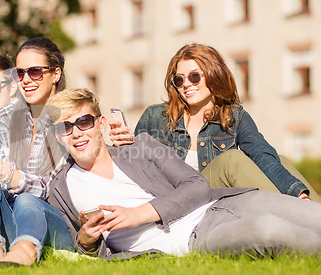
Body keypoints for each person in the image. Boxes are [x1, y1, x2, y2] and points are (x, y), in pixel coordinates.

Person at [47, 88, 321, 259]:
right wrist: (87, 242)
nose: (76, 133)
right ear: (58, 137)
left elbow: (198, 185)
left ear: (101, 123)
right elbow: (78, 247)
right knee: (270, 230)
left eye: (83, 121)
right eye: (65, 128)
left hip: (225, 202)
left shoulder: (141, 145)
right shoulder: (61, 189)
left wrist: (137, 214)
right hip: (194, 236)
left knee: (312, 214)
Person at [109, 43, 320, 202]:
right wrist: (122, 148)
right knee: (231, 160)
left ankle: (310, 210)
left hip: (215, 199)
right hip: (175, 200)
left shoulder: (234, 116)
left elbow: (262, 155)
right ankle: (297, 215)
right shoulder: (156, 116)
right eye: (179, 79)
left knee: (278, 159)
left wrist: (299, 193)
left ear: (213, 74)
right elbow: (134, 172)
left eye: (194, 76)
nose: (186, 85)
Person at [0, 38, 74, 267]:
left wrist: (4, 171)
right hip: (11, 216)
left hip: (50, 221)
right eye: (21, 73)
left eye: (35, 72)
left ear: (56, 74)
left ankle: (26, 253)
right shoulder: (5, 116)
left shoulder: (70, 119)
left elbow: (49, 190)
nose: (26, 80)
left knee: (26, 200)